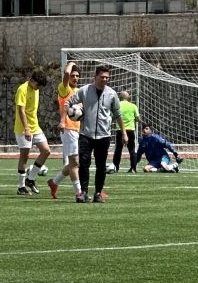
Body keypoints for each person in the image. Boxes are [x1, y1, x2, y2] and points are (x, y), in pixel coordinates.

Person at [73, 64, 123, 204]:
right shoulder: (84, 90)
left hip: (104, 136)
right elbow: (69, 103)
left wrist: (123, 133)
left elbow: (118, 114)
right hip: (86, 134)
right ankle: (83, 193)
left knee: (101, 166)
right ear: (95, 77)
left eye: (107, 77)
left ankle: (98, 193)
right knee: (84, 163)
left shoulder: (112, 94)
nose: (105, 79)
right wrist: (73, 112)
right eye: (102, 77)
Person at [12, 68, 50, 195]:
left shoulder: (35, 89)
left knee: (46, 151)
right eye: (37, 85)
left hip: (35, 127)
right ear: (31, 80)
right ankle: (21, 187)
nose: (38, 88)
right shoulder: (22, 89)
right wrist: (27, 129)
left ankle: (31, 179)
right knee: (24, 157)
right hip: (23, 129)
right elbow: (21, 110)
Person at [53, 61, 82, 200]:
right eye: (73, 76)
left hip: (77, 130)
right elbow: (65, 73)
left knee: (73, 163)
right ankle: (79, 193)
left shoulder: (79, 92)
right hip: (68, 129)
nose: (75, 78)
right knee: (75, 162)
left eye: (77, 76)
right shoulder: (64, 89)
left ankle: (54, 182)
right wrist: (70, 63)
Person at [112, 84, 139, 173]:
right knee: (132, 150)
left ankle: (116, 167)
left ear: (120, 97)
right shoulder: (133, 106)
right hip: (131, 130)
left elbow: (113, 116)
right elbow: (138, 118)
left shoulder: (118, 105)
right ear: (128, 97)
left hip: (120, 130)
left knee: (118, 150)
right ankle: (133, 168)